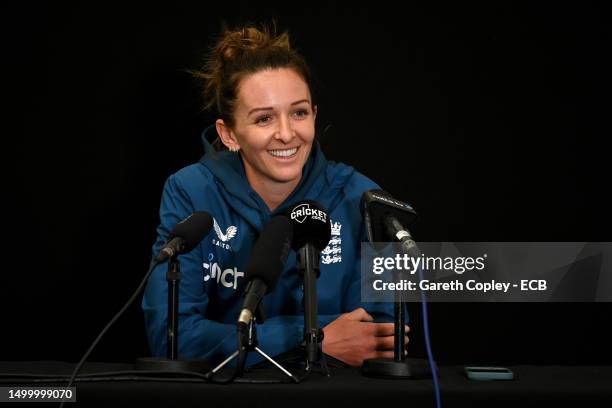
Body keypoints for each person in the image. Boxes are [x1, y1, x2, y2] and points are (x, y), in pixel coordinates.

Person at [142, 24, 408, 368]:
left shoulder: (360, 197)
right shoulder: (190, 190)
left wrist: (240, 343)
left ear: (314, 114)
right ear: (229, 134)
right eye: (264, 118)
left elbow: (380, 339)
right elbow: (171, 338)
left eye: (298, 113)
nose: (286, 134)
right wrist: (315, 338)